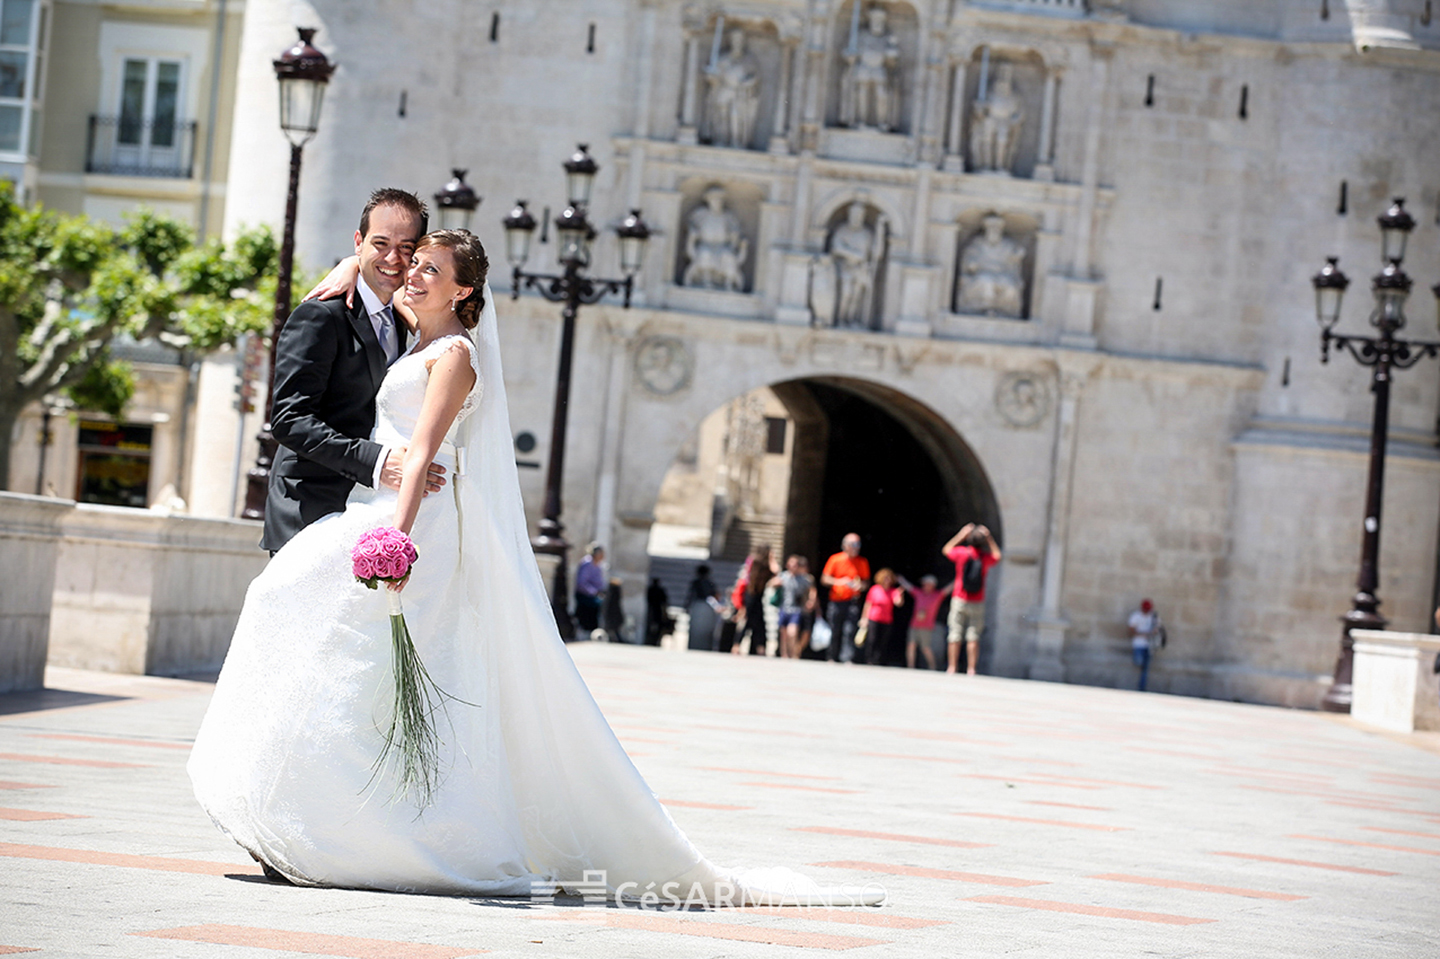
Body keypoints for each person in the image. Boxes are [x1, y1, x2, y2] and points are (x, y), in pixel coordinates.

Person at [187, 231, 878, 906]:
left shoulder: (453, 353)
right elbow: (375, 294)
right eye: (412, 263)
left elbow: (425, 448)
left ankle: (371, 827)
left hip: (409, 521)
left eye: (430, 267)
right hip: (387, 507)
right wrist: (351, 262)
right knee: (329, 640)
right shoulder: (417, 339)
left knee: (332, 627)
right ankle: (325, 813)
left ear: (463, 291)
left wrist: (394, 540)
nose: (413, 274)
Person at [263, 189, 445, 552]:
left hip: (370, 514)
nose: (392, 258)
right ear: (358, 241)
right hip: (310, 512)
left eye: (406, 248)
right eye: (380, 243)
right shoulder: (321, 315)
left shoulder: (403, 319)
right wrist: (377, 463)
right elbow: (288, 419)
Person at [942, 523, 1001, 675]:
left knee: (955, 633)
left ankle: (952, 667)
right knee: (973, 636)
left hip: (959, 599)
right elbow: (997, 556)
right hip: (977, 600)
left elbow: (946, 549)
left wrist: (961, 535)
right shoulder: (984, 558)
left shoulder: (962, 553)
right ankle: (971, 668)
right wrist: (989, 538)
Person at [821, 533, 870, 664]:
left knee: (849, 630)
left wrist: (860, 585)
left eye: (858, 544)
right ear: (845, 545)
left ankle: (847, 658)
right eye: (853, 544)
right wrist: (839, 581)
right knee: (834, 629)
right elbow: (824, 579)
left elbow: (866, 583)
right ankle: (831, 657)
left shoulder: (862, 562)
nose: (856, 547)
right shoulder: (835, 559)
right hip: (836, 601)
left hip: (853, 601)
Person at [733, 545, 778, 656]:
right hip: (751, 595)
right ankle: (739, 646)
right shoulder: (757, 562)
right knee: (749, 621)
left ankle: (755, 647)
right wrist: (772, 558)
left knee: (759, 623)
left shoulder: (759, 563)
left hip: (756, 596)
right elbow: (776, 570)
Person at [859, 569, 905, 667]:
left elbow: (898, 603)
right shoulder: (874, 589)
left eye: (889, 579)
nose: (887, 580)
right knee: (872, 639)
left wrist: (900, 596)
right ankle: (869, 660)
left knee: (883, 641)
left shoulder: (893, 591)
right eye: (885, 578)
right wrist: (864, 618)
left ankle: (878, 660)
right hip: (873, 618)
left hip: (887, 620)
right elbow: (868, 604)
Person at [902, 574, 947, 670]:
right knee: (911, 645)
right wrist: (900, 579)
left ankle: (933, 666)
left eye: (926, 584)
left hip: (926, 627)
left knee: (925, 648)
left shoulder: (937, 595)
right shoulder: (918, 593)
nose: (924, 585)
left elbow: (948, 589)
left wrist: (959, 578)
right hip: (914, 625)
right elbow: (908, 586)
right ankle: (911, 667)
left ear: (932, 585)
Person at [777, 554, 816, 659]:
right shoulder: (783, 576)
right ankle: (784, 655)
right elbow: (770, 584)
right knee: (783, 633)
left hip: (796, 609)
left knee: (792, 632)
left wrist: (811, 601)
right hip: (783, 607)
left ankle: (793, 653)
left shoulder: (804, 579)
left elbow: (812, 589)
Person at [685, 564, 721, 651]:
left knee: (696, 632)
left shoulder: (696, 582)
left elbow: (690, 596)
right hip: (707, 608)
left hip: (697, 607)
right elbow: (715, 595)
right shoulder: (710, 583)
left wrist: (686, 606)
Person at [1128, 598, 1160, 692]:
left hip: (1149, 646)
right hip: (1138, 644)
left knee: (1146, 668)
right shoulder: (1136, 616)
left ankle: (1142, 688)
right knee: (1138, 661)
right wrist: (1144, 634)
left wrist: (1153, 632)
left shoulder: (1153, 617)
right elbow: (1131, 630)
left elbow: (1157, 628)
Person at [574, 543, 606, 634]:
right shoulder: (587, 563)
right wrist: (594, 592)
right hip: (586, 596)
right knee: (586, 617)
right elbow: (582, 583)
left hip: (594, 595)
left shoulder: (598, 565)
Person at [644, 577, 671, 646]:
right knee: (654, 626)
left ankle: (653, 641)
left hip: (654, 610)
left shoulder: (651, 590)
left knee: (655, 626)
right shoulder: (657, 590)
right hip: (656, 610)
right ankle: (653, 641)